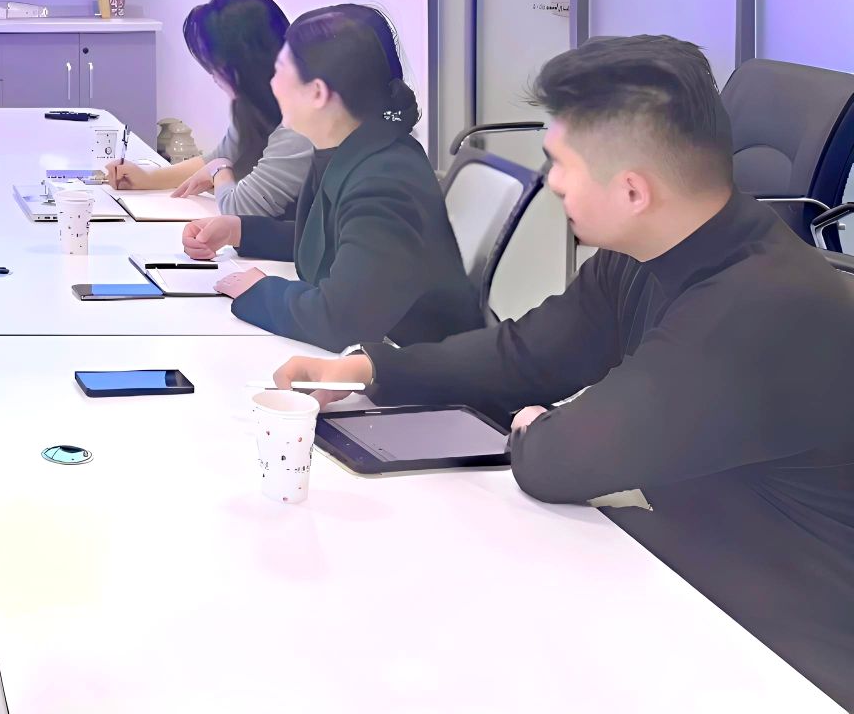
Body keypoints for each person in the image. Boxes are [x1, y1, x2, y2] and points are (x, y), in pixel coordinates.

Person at [275, 35, 854, 706]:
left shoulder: (761, 307)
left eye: (561, 164)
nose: (550, 183)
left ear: (632, 190)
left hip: (783, 649)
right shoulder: (648, 250)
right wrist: (373, 369)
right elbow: (526, 355)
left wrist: (542, 429)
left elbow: (560, 462)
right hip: (688, 574)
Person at [182, 2, 481, 350]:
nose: (271, 83)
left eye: (279, 70)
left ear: (317, 92)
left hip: (408, 363)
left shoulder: (384, 181)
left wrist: (261, 292)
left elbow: (339, 321)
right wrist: (240, 230)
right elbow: (337, 241)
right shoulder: (351, 148)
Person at [100, 0, 313, 217]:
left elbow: (241, 207)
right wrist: (147, 178)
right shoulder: (252, 108)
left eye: (216, 67)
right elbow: (220, 157)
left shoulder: (301, 124)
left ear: (244, 66)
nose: (214, 77)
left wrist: (219, 172)